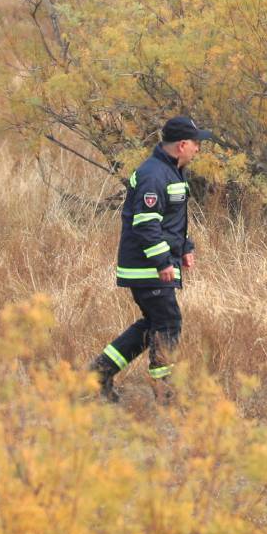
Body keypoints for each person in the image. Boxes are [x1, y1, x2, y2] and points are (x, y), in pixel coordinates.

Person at [89, 116, 214, 403]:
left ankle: (99, 371)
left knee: (153, 323)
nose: (198, 149)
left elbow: (170, 220)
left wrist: (184, 247)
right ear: (182, 145)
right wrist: (162, 262)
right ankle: (165, 393)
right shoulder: (154, 174)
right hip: (145, 266)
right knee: (168, 322)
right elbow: (146, 224)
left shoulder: (172, 171)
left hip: (153, 263)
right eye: (196, 144)